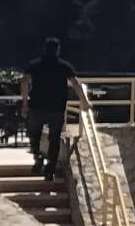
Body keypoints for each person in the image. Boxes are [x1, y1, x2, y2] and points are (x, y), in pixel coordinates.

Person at [20, 38, 86, 180]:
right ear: (58, 51)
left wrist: (24, 103)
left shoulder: (35, 65)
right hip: (56, 108)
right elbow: (76, 83)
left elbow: (25, 81)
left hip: (37, 106)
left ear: (44, 50)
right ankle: (50, 169)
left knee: (34, 134)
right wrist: (84, 101)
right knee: (54, 138)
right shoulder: (64, 66)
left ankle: (37, 156)